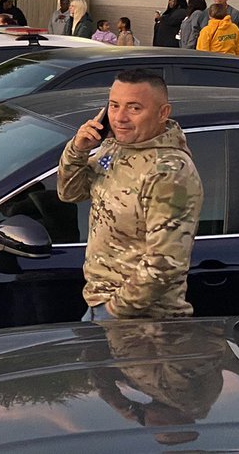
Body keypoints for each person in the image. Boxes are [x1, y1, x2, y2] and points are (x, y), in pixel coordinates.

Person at [57, 69, 202, 320]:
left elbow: (164, 264)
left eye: (134, 108)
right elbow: (70, 193)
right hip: (98, 301)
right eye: (114, 106)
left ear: (162, 113)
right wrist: (77, 150)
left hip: (141, 320)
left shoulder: (169, 171)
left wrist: (114, 311)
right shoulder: (115, 148)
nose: (120, 117)